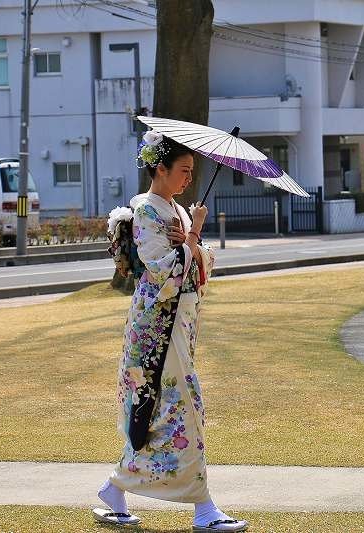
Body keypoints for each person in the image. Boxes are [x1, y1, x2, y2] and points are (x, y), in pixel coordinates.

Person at [93, 133, 248, 532]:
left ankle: (116, 488)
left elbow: (201, 262)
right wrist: (193, 236)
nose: (187, 179)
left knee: (164, 409)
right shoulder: (146, 210)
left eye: (191, 172)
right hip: (157, 326)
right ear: (159, 168)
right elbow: (161, 270)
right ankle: (203, 508)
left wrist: (194, 242)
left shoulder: (176, 210)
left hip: (179, 322)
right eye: (182, 170)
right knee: (180, 409)